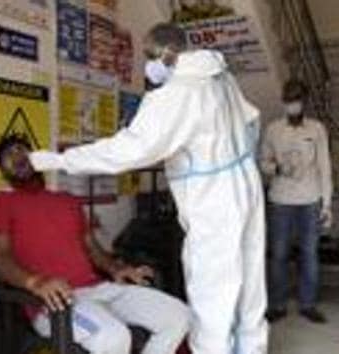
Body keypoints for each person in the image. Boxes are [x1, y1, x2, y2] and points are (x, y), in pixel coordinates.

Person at [29, 23, 268, 354]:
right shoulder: (220, 75)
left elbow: (124, 152)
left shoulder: (175, 94)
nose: (149, 66)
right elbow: (252, 121)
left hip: (213, 201)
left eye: (149, 58)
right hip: (246, 187)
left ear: (165, 55)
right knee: (249, 292)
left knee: (212, 296)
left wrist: (58, 161)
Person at [0, 133, 190, 354]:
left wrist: (117, 268)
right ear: (2, 171)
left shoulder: (67, 200)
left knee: (179, 317)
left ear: (38, 159)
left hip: (99, 289)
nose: (17, 156)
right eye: (8, 155)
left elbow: (92, 249)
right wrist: (36, 283)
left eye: (21, 150)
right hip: (57, 302)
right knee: (113, 337)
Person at [260, 80, 332, 323]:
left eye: (297, 100)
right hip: (280, 200)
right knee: (279, 254)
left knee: (309, 254)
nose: (293, 105)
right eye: (289, 101)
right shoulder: (273, 129)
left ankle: (308, 304)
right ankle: (277, 305)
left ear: (305, 101)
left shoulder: (317, 129)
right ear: (284, 102)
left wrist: (327, 203)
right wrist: (278, 168)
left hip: (310, 199)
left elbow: (325, 167)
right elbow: (262, 163)